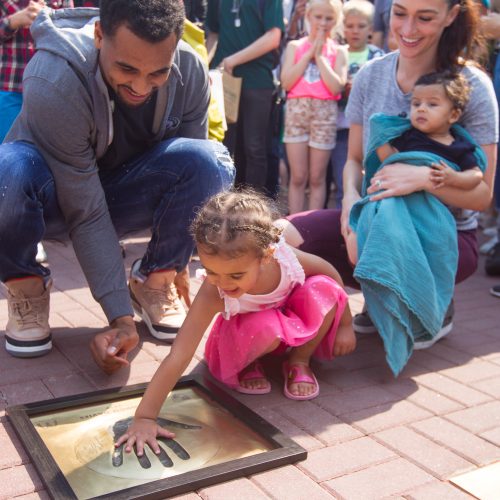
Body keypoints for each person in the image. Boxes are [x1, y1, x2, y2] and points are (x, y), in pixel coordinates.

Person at [0, 0, 234, 373]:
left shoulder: (189, 69)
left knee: (211, 160)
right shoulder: (53, 75)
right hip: (53, 195)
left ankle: (152, 281)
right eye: (126, 68)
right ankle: (25, 284)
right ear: (98, 36)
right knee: (6, 171)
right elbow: (85, 208)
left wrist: (178, 264)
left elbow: (196, 174)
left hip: (124, 192)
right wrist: (120, 319)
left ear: (175, 46)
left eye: (157, 73)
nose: (140, 86)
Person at [280, 0, 498, 369]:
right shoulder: (371, 75)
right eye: (400, 13)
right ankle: (368, 301)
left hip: (442, 236)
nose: (408, 28)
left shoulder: (472, 87)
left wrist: (423, 180)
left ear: (451, 16)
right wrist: (350, 203)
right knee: (280, 236)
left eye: (425, 17)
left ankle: (429, 301)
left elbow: (482, 195)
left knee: (394, 242)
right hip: (372, 213)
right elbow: (352, 160)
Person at [114, 189, 355, 454]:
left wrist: (345, 323)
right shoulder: (213, 292)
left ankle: (298, 361)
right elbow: (179, 355)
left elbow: (329, 273)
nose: (224, 283)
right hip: (243, 341)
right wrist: (145, 418)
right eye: (212, 272)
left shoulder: (284, 259)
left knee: (321, 288)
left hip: (286, 333)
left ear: (266, 255)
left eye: (236, 275)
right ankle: (249, 365)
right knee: (265, 323)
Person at [346, 70, 486, 264]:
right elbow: (391, 160)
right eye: (416, 103)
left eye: (432, 104)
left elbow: (476, 175)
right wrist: (379, 138)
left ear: (454, 115)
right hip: (398, 203)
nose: (421, 109)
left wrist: (453, 177)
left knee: (427, 246)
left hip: (434, 212)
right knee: (374, 222)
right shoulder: (409, 136)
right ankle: (364, 241)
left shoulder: (459, 145)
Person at [206, 0, 284, 192]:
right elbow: (214, 34)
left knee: (254, 148)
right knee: (224, 147)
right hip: (222, 78)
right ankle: (226, 204)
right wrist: (202, 65)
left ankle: (252, 209)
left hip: (257, 80)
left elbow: (273, 37)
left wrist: (234, 59)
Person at [281, 0, 347, 213]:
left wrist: (320, 58)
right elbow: (286, 82)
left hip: (325, 113)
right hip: (296, 111)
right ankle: (294, 222)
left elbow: (336, 86)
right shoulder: (295, 47)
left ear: (336, 21)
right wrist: (309, 54)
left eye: (329, 18)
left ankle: (312, 224)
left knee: (317, 177)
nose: (323, 22)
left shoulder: (339, 52)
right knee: (298, 176)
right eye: (318, 17)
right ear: (308, 17)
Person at [327, 0, 384, 208]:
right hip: (335, 126)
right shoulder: (334, 52)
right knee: (335, 180)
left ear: (370, 28)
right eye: (349, 26)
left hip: (363, 130)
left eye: (361, 26)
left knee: (358, 182)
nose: (355, 31)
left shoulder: (378, 56)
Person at [0, 0, 73, 142]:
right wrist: (12, 21)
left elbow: (72, 34)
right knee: (7, 148)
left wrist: (46, 17)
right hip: (10, 87)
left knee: (46, 150)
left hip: (50, 87)